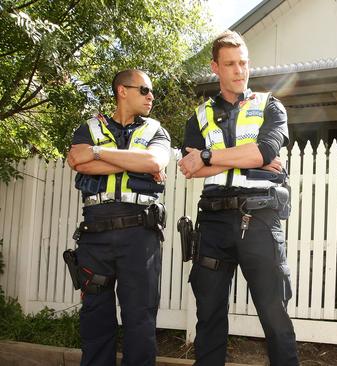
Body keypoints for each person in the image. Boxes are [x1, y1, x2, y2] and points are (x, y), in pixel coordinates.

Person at [178, 30, 298, 366]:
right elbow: (189, 168)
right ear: (215, 67)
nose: (239, 70)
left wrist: (208, 156)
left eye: (243, 62)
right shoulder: (198, 117)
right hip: (213, 222)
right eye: (230, 64)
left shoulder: (269, 106)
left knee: (275, 317)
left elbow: (264, 151)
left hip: (259, 219)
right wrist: (237, 157)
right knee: (210, 317)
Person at [66, 69, 171, 366]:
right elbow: (78, 161)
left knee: (140, 319)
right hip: (95, 234)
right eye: (144, 90)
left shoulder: (156, 130)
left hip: (140, 234)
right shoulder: (88, 128)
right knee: (95, 320)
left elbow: (154, 160)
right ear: (122, 91)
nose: (151, 96)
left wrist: (97, 154)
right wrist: (131, 162)